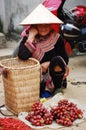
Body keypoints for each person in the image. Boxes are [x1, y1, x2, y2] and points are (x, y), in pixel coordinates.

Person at [17, 4, 69, 98]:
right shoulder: (28, 38)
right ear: (34, 26)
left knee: (57, 60)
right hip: (36, 76)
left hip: (53, 76)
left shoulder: (57, 38)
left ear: (50, 25)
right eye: (40, 25)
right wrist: (31, 36)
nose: (44, 28)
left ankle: (57, 88)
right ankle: (42, 88)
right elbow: (22, 56)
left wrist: (49, 63)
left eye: (46, 25)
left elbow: (65, 58)